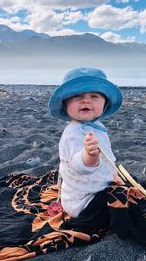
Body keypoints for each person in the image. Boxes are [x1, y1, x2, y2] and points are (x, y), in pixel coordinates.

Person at [48, 67, 123, 218]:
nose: (85, 100)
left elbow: (107, 154)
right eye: (77, 96)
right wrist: (89, 155)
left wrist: (114, 172)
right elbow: (79, 166)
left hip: (99, 185)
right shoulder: (72, 133)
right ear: (65, 104)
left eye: (94, 96)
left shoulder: (99, 127)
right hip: (83, 201)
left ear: (105, 104)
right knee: (123, 207)